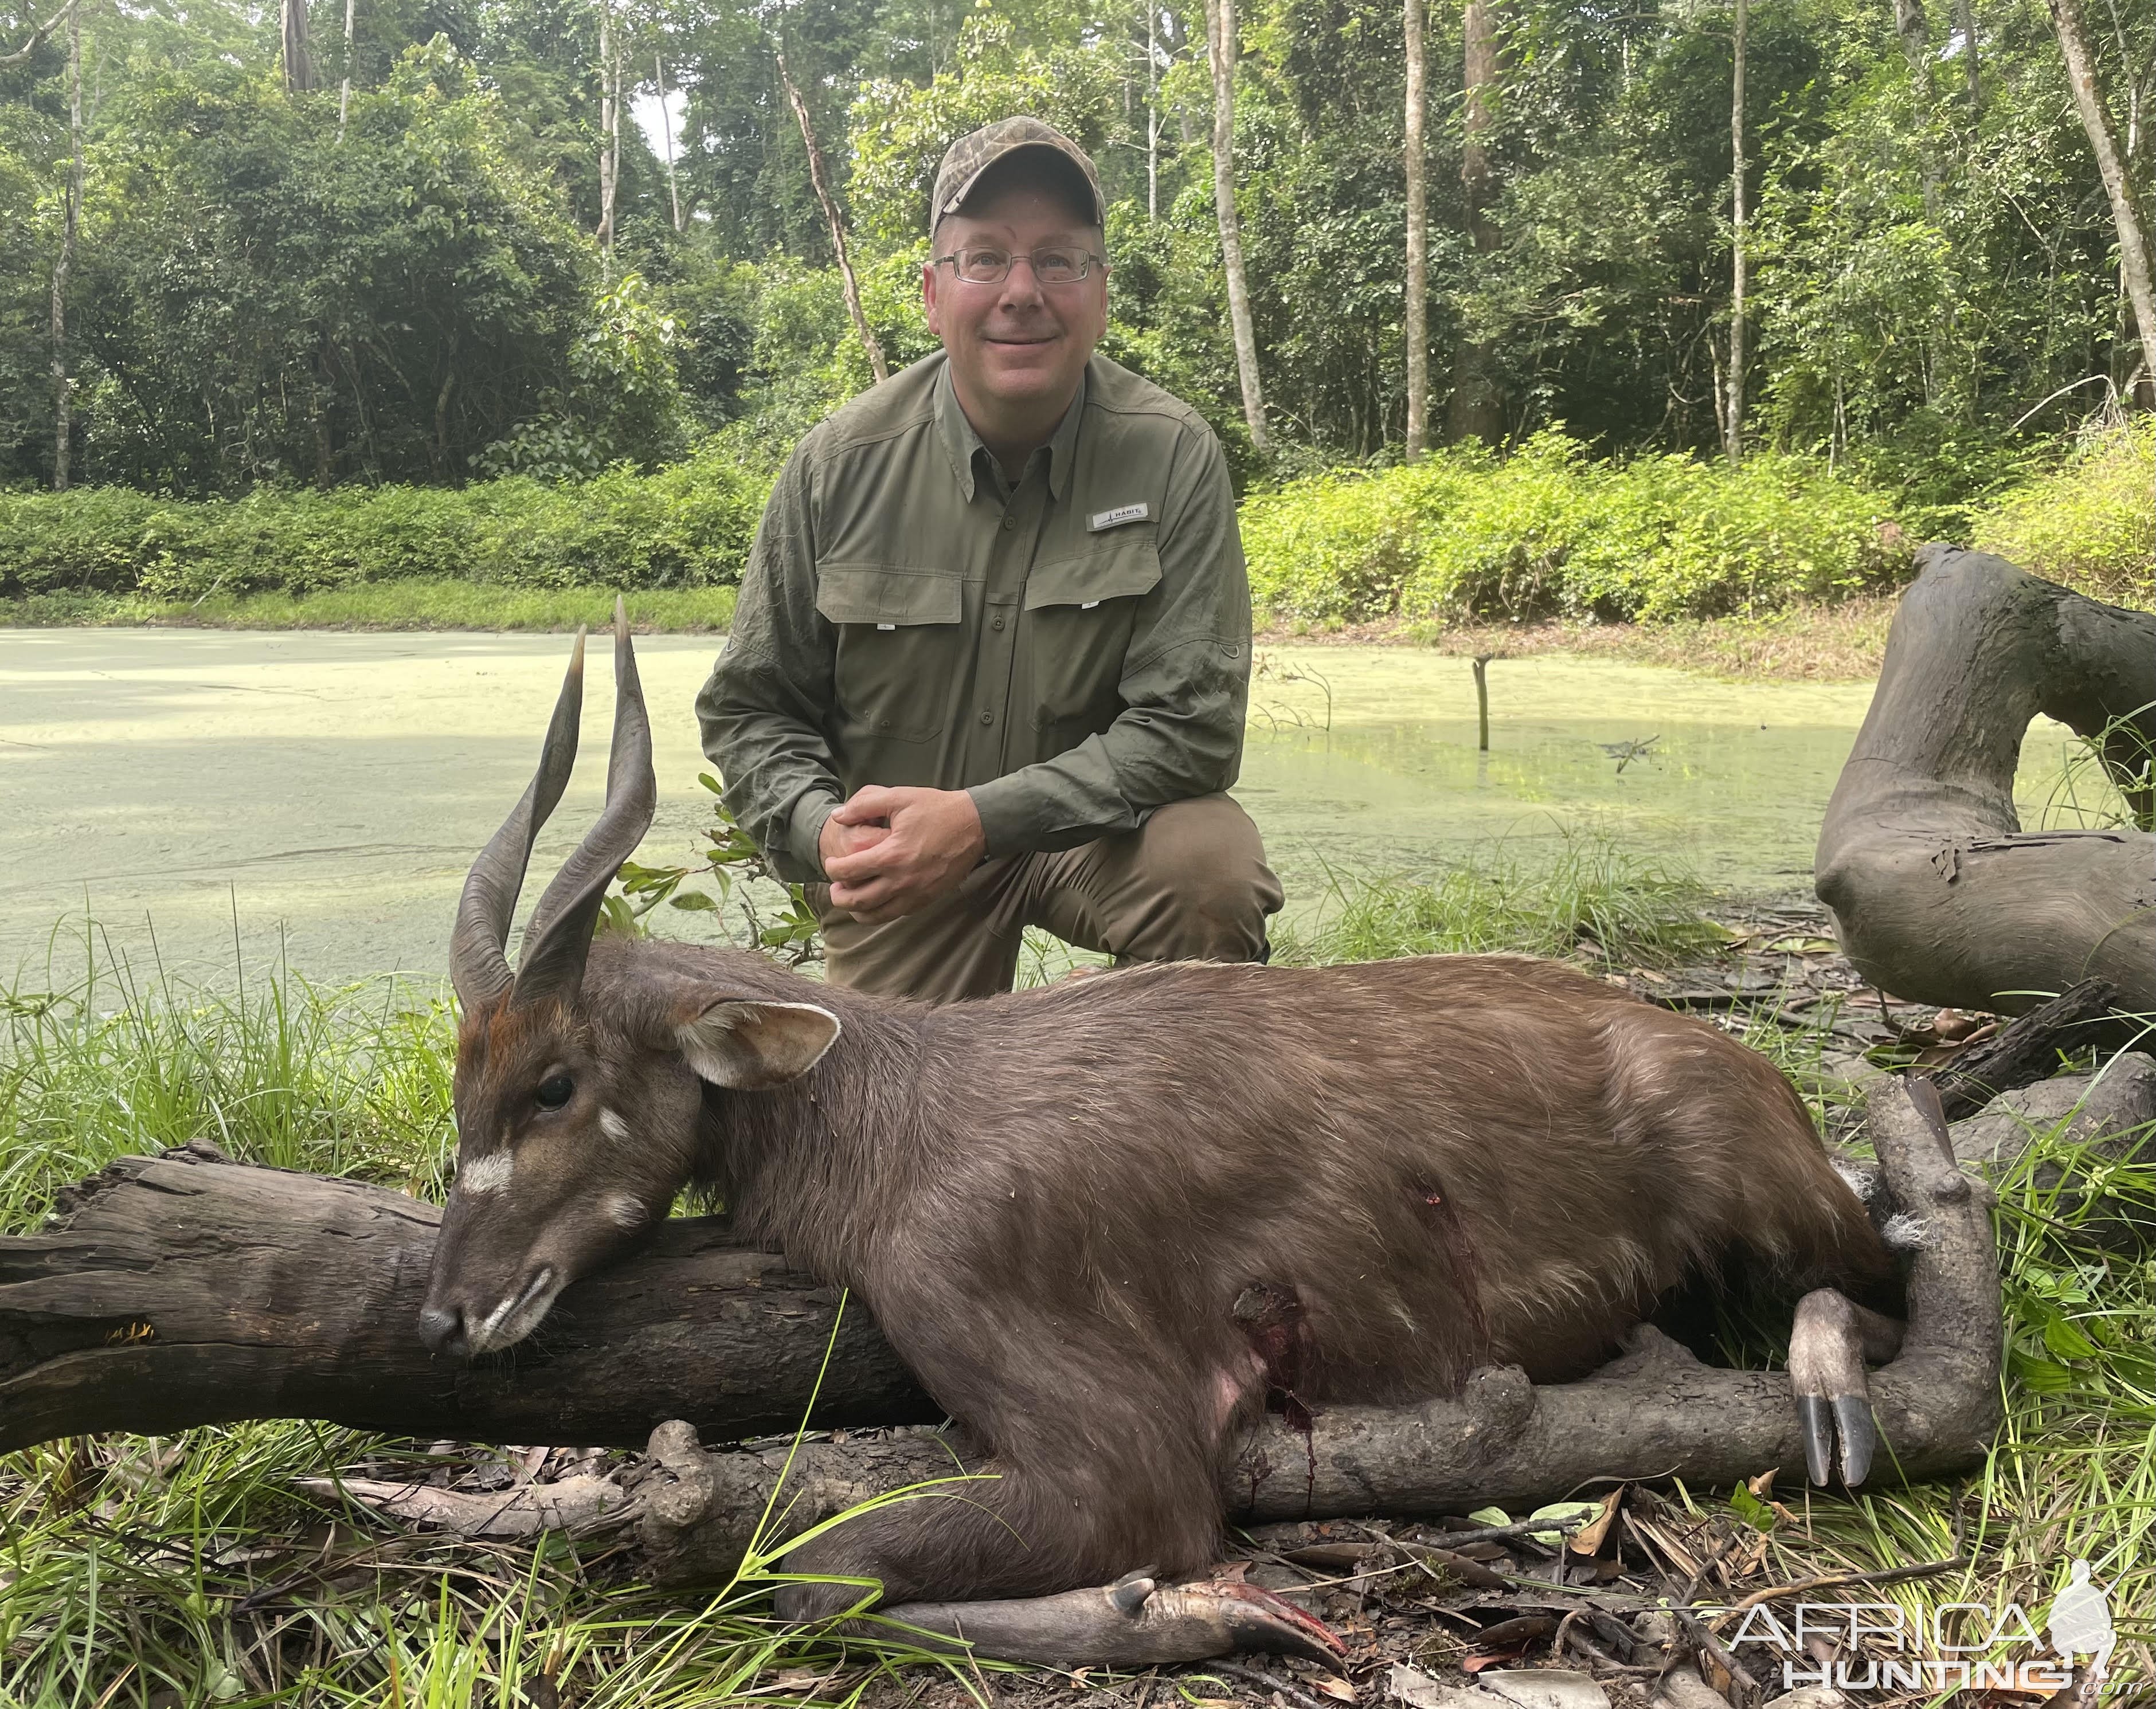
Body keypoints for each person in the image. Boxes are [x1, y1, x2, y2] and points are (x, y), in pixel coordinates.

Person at [697, 116, 1282, 1002]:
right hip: (897, 864)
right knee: (881, 1125)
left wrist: (978, 820)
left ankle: (1163, 1109)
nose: (1022, 291)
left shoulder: (1170, 454)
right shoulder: (836, 466)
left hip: (1090, 839)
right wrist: (824, 835)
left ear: (1101, 292)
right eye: (984, 258)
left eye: (1058, 259)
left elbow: (1190, 727)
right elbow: (751, 710)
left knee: (1209, 867)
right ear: (934, 293)